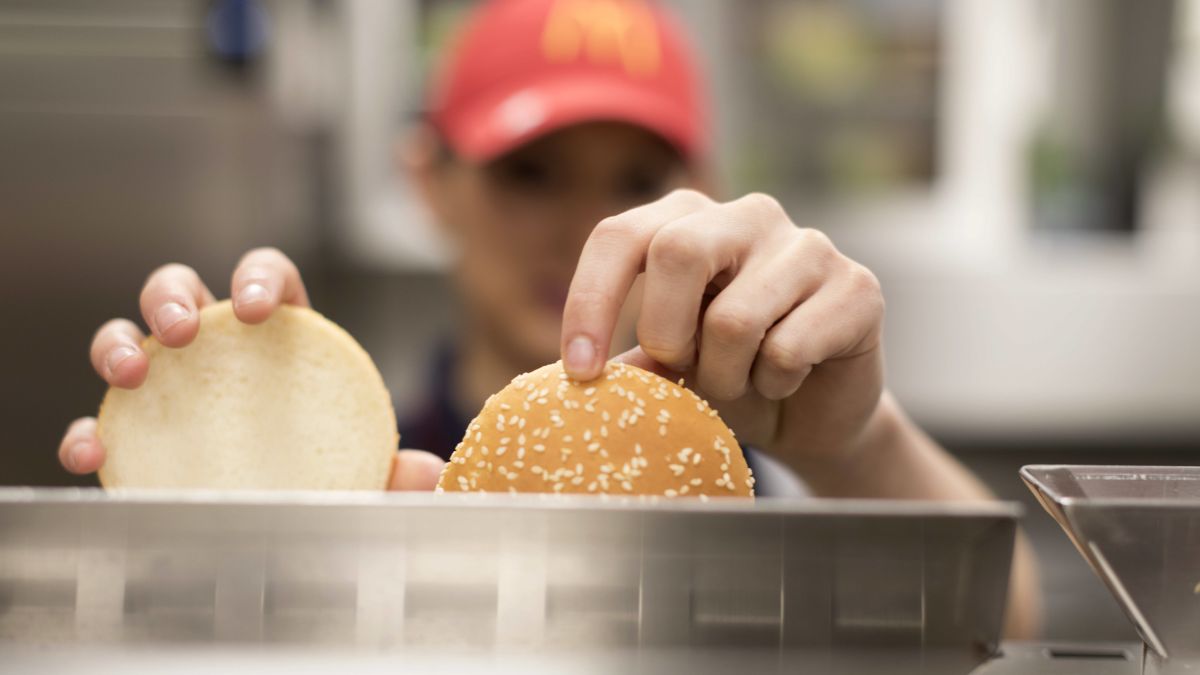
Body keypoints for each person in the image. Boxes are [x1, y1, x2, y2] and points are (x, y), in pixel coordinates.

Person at [54, 0, 1038, 635]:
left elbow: (1006, 624)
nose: (585, 226)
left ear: (702, 191)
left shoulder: (746, 493)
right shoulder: (345, 488)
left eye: (637, 179)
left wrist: (857, 442)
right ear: (430, 183)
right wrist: (219, 496)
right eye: (529, 173)